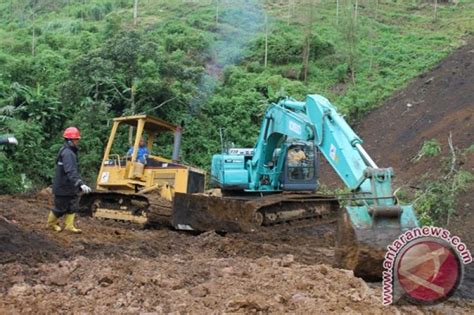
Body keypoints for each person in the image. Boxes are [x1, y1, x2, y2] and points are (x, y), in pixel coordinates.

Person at [47, 127, 92, 233]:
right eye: (76, 139)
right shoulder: (67, 153)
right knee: (60, 207)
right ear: (70, 140)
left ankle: (69, 226)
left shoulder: (69, 151)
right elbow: (70, 171)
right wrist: (80, 184)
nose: (77, 142)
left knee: (72, 205)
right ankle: (51, 224)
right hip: (63, 185)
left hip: (69, 185)